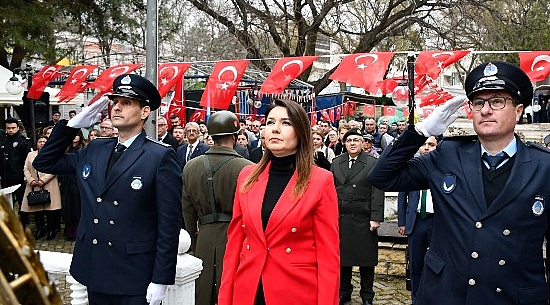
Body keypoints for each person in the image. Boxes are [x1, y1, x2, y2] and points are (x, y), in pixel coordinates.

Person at [368, 61, 550, 305]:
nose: (486, 110)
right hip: (447, 293)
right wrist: (420, 131)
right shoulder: (447, 155)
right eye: (478, 102)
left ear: (519, 110)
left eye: (498, 101)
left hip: (511, 295)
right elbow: (381, 176)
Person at [33, 73, 183, 305]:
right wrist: (72, 126)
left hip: (134, 274)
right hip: (95, 267)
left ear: (145, 112)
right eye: (115, 102)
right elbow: (44, 163)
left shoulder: (159, 156)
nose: (117, 108)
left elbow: (169, 224)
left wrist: (161, 279)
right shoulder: (96, 149)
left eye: (127, 103)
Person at [219, 99, 340, 305]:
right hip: (248, 289)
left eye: (285, 123)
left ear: (300, 132)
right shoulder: (247, 176)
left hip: (295, 291)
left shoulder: (320, 181)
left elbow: (329, 255)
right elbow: (234, 244)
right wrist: (225, 298)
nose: (275, 129)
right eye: (270, 122)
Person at [182, 111, 253, 305]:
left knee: (202, 293)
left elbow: (187, 212)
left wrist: (192, 242)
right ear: (234, 135)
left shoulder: (190, 167)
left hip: (203, 237)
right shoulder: (248, 168)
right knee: (231, 292)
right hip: (236, 239)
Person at [331, 128, 384, 305]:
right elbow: (330, 191)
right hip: (341, 217)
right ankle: (344, 292)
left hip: (363, 218)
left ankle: (367, 295)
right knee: (343, 260)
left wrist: (376, 217)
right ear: (344, 143)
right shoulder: (336, 162)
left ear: (363, 143)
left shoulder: (372, 162)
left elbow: (377, 190)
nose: (353, 143)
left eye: (356, 140)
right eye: (349, 140)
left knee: (366, 260)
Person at [397, 135, 439, 304]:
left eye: (431, 144)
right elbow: (402, 197)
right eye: (423, 144)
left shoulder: (443, 168)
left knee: (438, 262)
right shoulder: (412, 168)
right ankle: (416, 297)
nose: (427, 147)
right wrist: (402, 222)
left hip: (437, 222)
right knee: (415, 263)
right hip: (416, 222)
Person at [21, 135, 61, 240]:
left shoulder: (52, 154)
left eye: (44, 141)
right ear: (36, 143)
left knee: (50, 209)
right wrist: (31, 180)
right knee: (37, 209)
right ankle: (40, 229)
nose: (42, 143)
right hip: (34, 185)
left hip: (49, 184)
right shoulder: (30, 154)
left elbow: (54, 168)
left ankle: (51, 230)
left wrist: (43, 180)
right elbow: (25, 169)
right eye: (40, 141)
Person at [0, 117, 32, 226]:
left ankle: (24, 224)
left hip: (19, 177)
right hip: (5, 177)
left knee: (22, 201)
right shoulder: (3, 141)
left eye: (13, 128)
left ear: (18, 128)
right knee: (7, 203)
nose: (10, 130)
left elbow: (27, 161)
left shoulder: (23, 142)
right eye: (8, 128)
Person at [59, 130, 86, 240]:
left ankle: (77, 231)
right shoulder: (66, 149)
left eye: (77, 135)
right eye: (73, 135)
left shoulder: (83, 150)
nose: (75, 137)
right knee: (68, 206)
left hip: (77, 182)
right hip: (66, 181)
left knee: (77, 207)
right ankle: (69, 231)